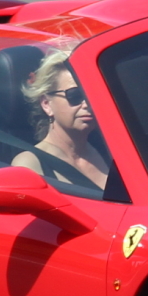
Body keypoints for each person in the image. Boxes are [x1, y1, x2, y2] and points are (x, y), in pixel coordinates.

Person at [12, 46, 114, 195]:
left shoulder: (111, 150)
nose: (87, 104)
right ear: (46, 104)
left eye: (92, 94)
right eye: (75, 95)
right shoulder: (30, 165)